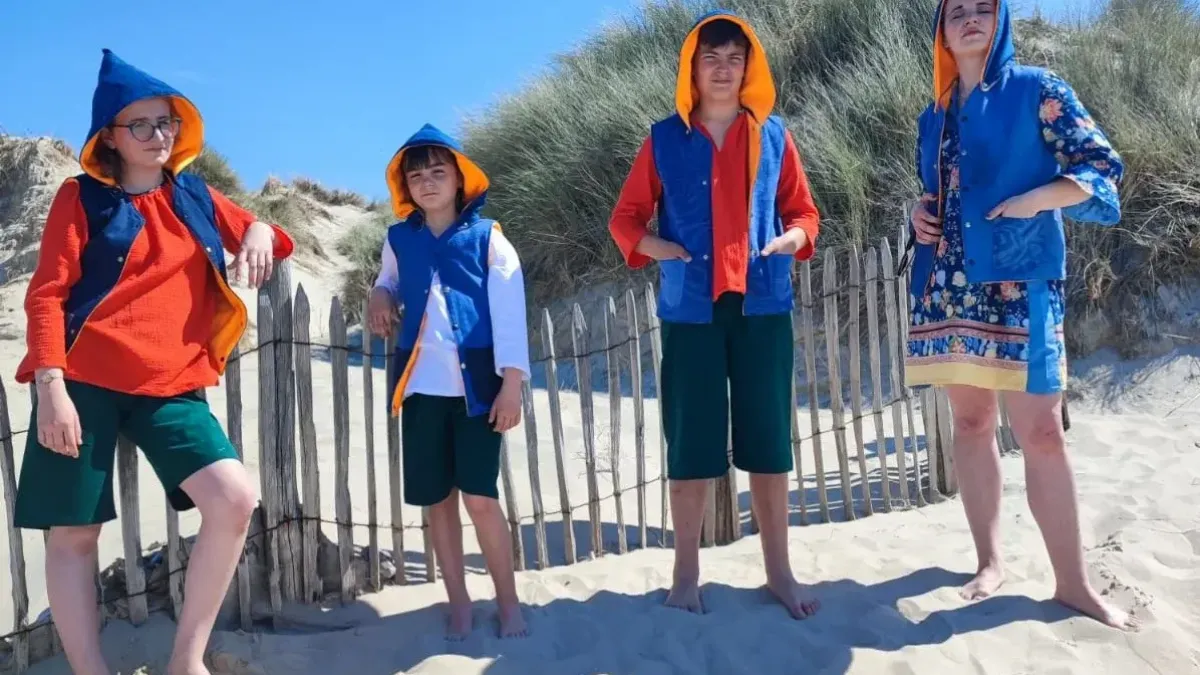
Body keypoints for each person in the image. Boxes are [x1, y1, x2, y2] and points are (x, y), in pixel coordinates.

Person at [14, 49, 295, 674]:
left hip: (170, 387)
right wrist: (51, 387)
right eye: (139, 124)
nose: (157, 135)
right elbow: (48, 294)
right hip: (83, 379)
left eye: (166, 121)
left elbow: (273, 237)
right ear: (109, 136)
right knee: (74, 533)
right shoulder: (80, 197)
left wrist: (256, 230)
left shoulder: (192, 194)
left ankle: (185, 661)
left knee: (234, 499)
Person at [905, 0, 1134, 629]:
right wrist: (918, 214)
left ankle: (1073, 584)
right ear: (942, 30)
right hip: (949, 286)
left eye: (984, 7)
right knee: (972, 422)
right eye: (957, 10)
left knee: (1042, 432)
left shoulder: (1039, 88)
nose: (970, 18)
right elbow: (938, 191)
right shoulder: (934, 114)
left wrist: (1039, 199)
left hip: (1021, 278)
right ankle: (989, 562)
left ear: (1001, 19)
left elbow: (1100, 167)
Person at [608, 12, 822, 619]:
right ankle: (685, 577)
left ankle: (779, 574)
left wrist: (791, 240)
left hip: (762, 304)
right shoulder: (663, 139)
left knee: (770, 443)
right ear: (692, 70)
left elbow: (804, 213)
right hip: (690, 310)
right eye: (711, 59)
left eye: (734, 58)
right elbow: (625, 220)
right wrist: (663, 250)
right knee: (691, 445)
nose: (723, 69)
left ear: (748, 67)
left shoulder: (774, 135)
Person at [366, 124, 530, 640]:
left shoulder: (489, 238)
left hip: (478, 391)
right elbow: (389, 279)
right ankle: (458, 602)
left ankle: (508, 603)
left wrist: (511, 385)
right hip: (420, 390)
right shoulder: (399, 238)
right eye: (416, 176)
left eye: (438, 172)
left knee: (480, 498)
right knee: (438, 501)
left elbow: (510, 315)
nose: (428, 183)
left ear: (460, 179)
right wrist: (378, 293)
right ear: (405, 187)